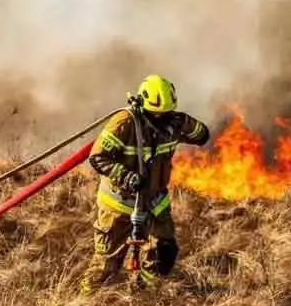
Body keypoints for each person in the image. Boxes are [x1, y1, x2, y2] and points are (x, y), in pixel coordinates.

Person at [81, 74, 210, 293]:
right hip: (118, 203)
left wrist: (190, 126)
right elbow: (98, 157)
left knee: (163, 253)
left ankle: (143, 295)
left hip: (154, 201)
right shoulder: (125, 123)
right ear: (143, 106)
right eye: (157, 114)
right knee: (106, 266)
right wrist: (127, 176)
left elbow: (202, 135)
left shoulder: (174, 122)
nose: (162, 118)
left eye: (166, 113)